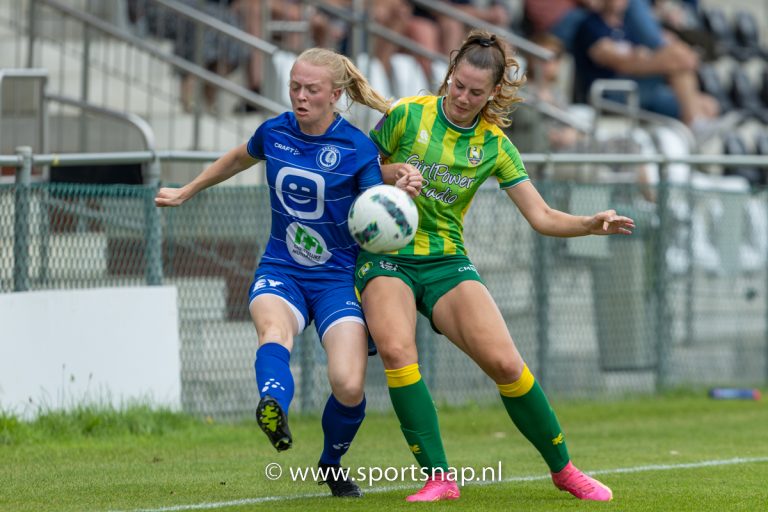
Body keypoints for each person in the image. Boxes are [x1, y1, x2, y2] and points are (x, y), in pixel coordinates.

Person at [355, 29, 634, 502]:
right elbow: (355, 171)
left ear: (493, 93)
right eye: (458, 85)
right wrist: (391, 173)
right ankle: (440, 479)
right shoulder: (406, 114)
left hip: (446, 261)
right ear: (450, 75)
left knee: (506, 363)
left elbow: (542, 216)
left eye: (475, 92)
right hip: (385, 257)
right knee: (399, 353)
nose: (463, 97)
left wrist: (588, 224)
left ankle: (565, 470)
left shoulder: (495, 146)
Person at [155, 47, 422, 498]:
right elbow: (238, 157)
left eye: (311, 89)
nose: (300, 96)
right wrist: (188, 189)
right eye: (294, 87)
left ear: (335, 95)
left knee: (349, 384)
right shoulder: (274, 131)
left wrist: (400, 186)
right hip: (282, 268)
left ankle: (330, 464)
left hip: (337, 279)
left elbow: (374, 204)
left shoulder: (356, 147)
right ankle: (273, 406)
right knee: (273, 332)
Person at [571, 0, 719, 130]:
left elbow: (638, 55)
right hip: (611, 92)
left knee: (709, 105)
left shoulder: (625, 27)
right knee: (677, 63)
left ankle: (693, 124)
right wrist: (664, 61)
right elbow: (622, 64)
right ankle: (693, 124)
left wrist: (659, 59)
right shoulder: (591, 25)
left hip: (638, 87)